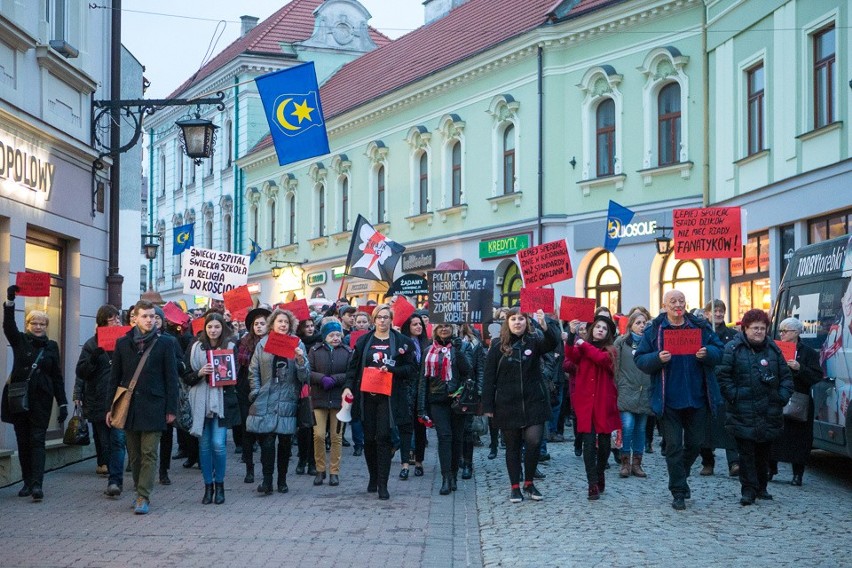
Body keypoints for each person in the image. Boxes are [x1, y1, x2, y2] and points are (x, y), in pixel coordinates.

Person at [634, 289, 724, 511]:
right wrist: (657, 358)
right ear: (664, 305)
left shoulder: (700, 326)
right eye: (672, 301)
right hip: (668, 399)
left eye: (681, 301)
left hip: (697, 397)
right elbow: (640, 359)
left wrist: (708, 353)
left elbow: (719, 351)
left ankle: (680, 476)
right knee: (673, 446)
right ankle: (678, 491)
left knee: (695, 443)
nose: (677, 304)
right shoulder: (655, 329)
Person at [106, 300, 179, 515]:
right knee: (135, 456)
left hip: (155, 405)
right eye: (145, 316)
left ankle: (143, 495)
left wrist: (171, 408)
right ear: (135, 318)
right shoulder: (122, 343)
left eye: (152, 316)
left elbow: (171, 378)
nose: (149, 320)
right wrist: (110, 407)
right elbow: (114, 378)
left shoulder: (165, 343)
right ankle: (139, 489)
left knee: (149, 453)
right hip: (129, 408)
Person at [716, 309, 794, 505]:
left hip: (769, 410)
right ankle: (748, 490)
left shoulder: (774, 349)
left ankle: (762, 486)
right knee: (747, 453)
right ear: (745, 329)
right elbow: (723, 376)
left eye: (762, 328)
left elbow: (786, 377)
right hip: (742, 410)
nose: (759, 332)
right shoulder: (733, 348)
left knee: (764, 452)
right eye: (755, 328)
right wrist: (734, 396)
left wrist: (781, 398)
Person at [482, 308, 558, 503]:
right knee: (513, 447)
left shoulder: (534, 340)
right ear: (507, 323)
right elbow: (489, 377)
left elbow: (552, 343)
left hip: (534, 402)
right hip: (507, 404)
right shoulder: (498, 345)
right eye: (513, 319)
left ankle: (529, 482)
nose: (517, 322)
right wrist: (488, 406)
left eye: (521, 319)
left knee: (533, 442)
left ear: (527, 321)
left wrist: (545, 325)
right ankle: (515, 486)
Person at [342, 304, 416, 500]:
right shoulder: (364, 341)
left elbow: (411, 369)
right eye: (379, 317)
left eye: (386, 317)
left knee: (383, 437)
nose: (382, 321)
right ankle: (373, 477)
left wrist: (392, 370)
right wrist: (348, 386)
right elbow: (353, 368)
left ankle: (383, 483)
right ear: (373, 320)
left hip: (389, 397)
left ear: (391, 319)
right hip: (366, 396)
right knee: (369, 439)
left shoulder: (402, 341)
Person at [1, 285, 68, 501]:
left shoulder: (51, 346)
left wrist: (63, 403)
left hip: (42, 400)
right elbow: (8, 326)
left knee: (37, 441)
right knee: (23, 441)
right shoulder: (20, 340)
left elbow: (57, 376)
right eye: (34, 323)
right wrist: (10, 301)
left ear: (46, 326)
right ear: (28, 325)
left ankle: (38, 485)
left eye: (42, 323)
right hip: (20, 398)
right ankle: (27, 482)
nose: (38, 326)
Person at [247, 308, 309, 495]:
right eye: (279, 321)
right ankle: (267, 481)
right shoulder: (263, 344)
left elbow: (304, 375)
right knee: (267, 442)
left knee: (284, 443)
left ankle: (282, 481)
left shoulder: (297, 343)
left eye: (286, 322)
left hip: (287, 399)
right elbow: (253, 370)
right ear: (272, 323)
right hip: (266, 398)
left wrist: (300, 360)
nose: (283, 325)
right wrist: (256, 391)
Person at [184, 312, 240, 505]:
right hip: (200, 402)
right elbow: (186, 376)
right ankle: (208, 487)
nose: (213, 330)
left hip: (221, 403)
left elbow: (236, 375)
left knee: (219, 444)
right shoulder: (195, 347)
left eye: (217, 327)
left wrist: (224, 374)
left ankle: (220, 484)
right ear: (205, 328)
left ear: (222, 328)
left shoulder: (231, 346)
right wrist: (200, 373)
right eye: (210, 327)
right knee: (205, 445)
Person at [565, 315, 621, 500]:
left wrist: (582, 342)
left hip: (604, 401)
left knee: (604, 444)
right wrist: (572, 335)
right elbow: (572, 357)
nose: (600, 330)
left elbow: (599, 358)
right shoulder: (582, 346)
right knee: (588, 444)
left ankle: (600, 472)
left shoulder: (611, 350)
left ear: (608, 334)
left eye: (604, 328)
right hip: (585, 400)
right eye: (597, 327)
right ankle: (592, 483)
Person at [417, 323, 471, 495]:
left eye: (447, 326)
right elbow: (422, 381)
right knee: (444, 437)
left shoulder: (462, 346)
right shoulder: (428, 351)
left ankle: (454, 473)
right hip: (437, 399)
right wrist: (421, 408)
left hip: (457, 399)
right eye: (440, 326)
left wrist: (458, 350)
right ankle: (446, 477)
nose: (444, 329)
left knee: (457, 439)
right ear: (435, 330)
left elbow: (467, 370)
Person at [769, 317, 823, 486]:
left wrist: (800, 368)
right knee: (774, 435)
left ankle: (797, 474)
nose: (782, 334)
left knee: (799, 438)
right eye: (781, 331)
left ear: (796, 333)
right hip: (778, 397)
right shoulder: (775, 349)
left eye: (786, 331)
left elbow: (816, 376)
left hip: (800, 399)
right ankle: (771, 468)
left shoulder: (808, 353)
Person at [74, 304, 122, 478]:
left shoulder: (124, 341)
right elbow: (81, 373)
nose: (116, 322)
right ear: (102, 322)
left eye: (118, 318)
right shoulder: (91, 344)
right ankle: (107, 466)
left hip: (119, 396)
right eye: (112, 319)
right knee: (103, 436)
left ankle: (113, 469)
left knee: (117, 437)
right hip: (97, 397)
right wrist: (93, 359)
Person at [698, 299, 740, 478]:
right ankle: (707, 461)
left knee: (729, 423)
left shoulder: (732, 335)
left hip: (726, 383)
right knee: (705, 425)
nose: (718, 314)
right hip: (706, 383)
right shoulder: (700, 333)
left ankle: (734, 462)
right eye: (714, 311)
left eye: (721, 311)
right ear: (707, 313)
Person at [308, 319, 351, 487]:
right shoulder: (314, 351)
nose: (336, 338)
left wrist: (335, 379)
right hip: (319, 399)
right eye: (332, 335)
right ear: (325, 336)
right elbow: (308, 372)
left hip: (339, 401)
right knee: (318, 435)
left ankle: (334, 471)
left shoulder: (347, 351)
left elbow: (350, 373)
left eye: (338, 335)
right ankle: (320, 469)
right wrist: (321, 379)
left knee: (336, 436)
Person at [613, 310, 653, 478]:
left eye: (644, 323)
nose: (641, 326)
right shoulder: (621, 342)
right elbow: (615, 366)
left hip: (645, 391)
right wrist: (618, 385)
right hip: (626, 389)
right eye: (638, 323)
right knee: (627, 426)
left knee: (640, 429)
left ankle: (637, 463)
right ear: (630, 325)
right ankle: (624, 462)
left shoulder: (651, 343)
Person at [236, 307, 270, 484]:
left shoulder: (274, 342)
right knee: (247, 431)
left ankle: (266, 471)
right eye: (256, 324)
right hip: (245, 391)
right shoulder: (243, 343)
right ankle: (249, 469)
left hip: (266, 391)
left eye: (262, 323)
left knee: (264, 433)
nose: (258, 327)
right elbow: (236, 367)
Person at [401, 313, 429, 478]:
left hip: (422, 391)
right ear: (408, 327)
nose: (418, 327)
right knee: (405, 428)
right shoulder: (403, 343)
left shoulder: (426, 344)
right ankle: (405, 463)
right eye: (415, 324)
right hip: (406, 390)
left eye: (420, 324)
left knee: (420, 428)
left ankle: (419, 462)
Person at [459, 323, 486, 480]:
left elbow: (479, 368)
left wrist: (480, 390)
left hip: (468, 389)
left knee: (467, 429)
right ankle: (457, 459)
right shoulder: (440, 341)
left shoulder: (474, 342)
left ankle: (467, 463)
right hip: (449, 390)